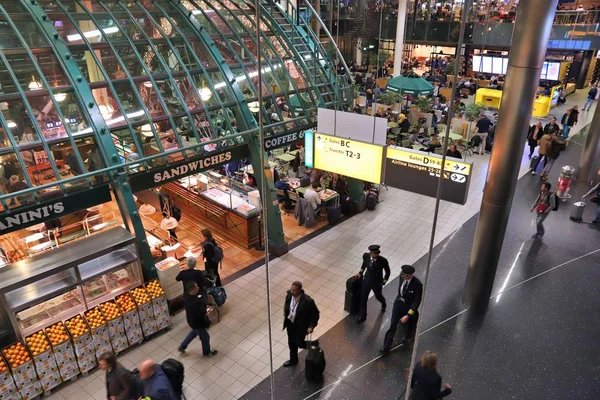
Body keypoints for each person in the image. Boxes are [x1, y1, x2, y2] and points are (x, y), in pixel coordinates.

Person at [380, 264, 423, 353]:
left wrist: (408, 315)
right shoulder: (402, 276)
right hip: (399, 303)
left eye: (405, 276)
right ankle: (386, 346)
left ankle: (407, 339)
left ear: (410, 275)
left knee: (410, 325)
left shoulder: (417, 284)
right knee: (393, 325)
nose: (403, 277)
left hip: (409, 307)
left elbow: (416, 301)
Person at [282, 281, 320, 367]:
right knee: (291, 343)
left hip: (301, 326)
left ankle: (313, 344)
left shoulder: (307, 301)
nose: (292, 292)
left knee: (299, 343)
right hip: (290, 324)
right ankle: (293, 360)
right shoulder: (289, 296)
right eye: (291, 289)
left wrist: (311, 326)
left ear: (300, 290)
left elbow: (315, 314)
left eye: (294, 290)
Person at [178, 281, 217, 356]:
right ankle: (206, 352)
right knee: (205, 337)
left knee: (194, 332)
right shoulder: (195, 303)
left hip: (191, 321)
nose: (198, 287)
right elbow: (200, 312)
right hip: (198, 322)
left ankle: (182, 346)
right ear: (192, 290)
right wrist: (206, 310)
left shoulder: (186, 296)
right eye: (196, 287)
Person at [355, 245, 390, 324]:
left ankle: (383, 302)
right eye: (374, 254)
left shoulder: (383, 260)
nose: (376, 255)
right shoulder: (366, 256)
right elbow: (364, 265)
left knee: (378, 296)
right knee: (363, 298)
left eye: (377, 254)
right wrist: (360, 272)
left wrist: (384, 282)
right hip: (367, 281)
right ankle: (363, 316)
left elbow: (388, 272)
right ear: (370, 253)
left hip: (377, 282)